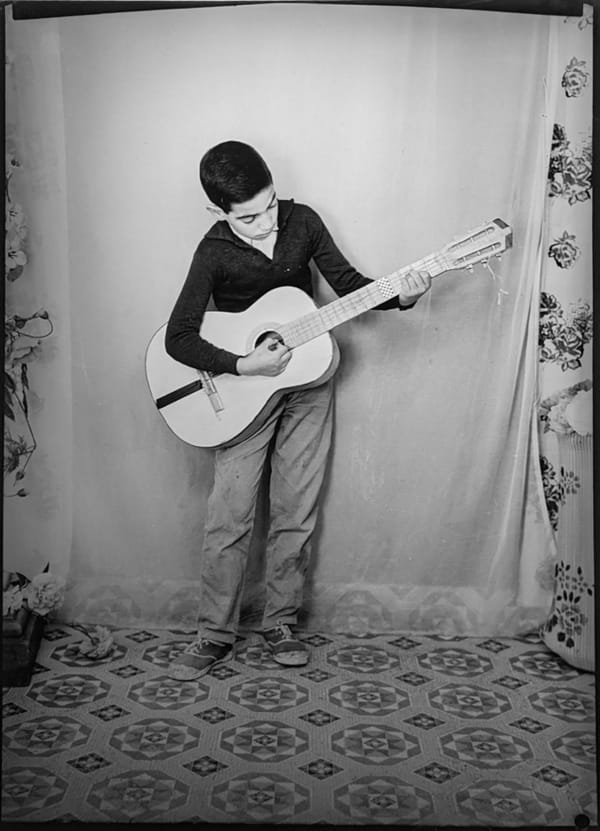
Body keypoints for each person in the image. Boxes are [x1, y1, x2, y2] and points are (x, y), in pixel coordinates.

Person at [164, 140, 431, 680]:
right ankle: (214, 633)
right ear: (218, 212)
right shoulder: (214, 249)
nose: (265, 224)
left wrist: (401, 296)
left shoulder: (301, 221)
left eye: (269, 207)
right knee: (229, 514)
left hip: (310, 382)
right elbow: (178, 338)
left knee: (296, 508)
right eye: (248, 217)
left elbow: (352, 288)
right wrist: (243, 366)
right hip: (244, 396)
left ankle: (280, 622)